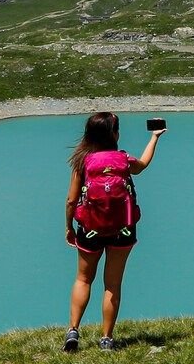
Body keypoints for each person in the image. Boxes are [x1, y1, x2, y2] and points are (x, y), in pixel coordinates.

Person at [62, 111, 163, 351]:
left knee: (83, 278)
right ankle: (106, 338)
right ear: (114, 134)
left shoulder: (83, 160)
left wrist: (69, 227)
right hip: (123, 230)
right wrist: (155, 137)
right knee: (112, 284)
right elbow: (144, 164)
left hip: (90, 229)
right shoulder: (123, 159)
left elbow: (71, 200)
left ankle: (73, 331)